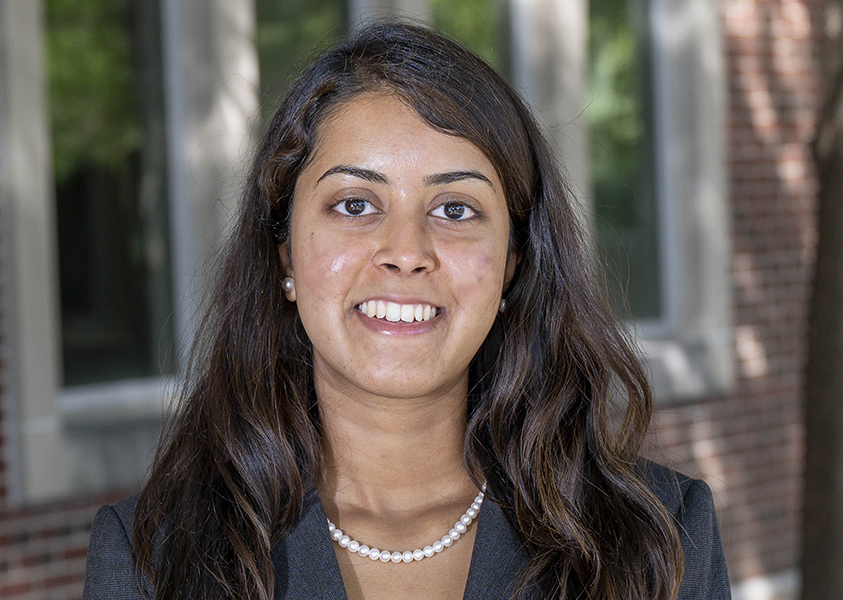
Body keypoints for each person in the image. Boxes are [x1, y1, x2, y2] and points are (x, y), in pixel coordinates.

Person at [82, 22, 731, 600]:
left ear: (511, 263)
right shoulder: (156, 560)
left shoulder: (656, 536)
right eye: (355, 205)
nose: (405, 252)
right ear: (283, 252)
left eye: (455, 210)